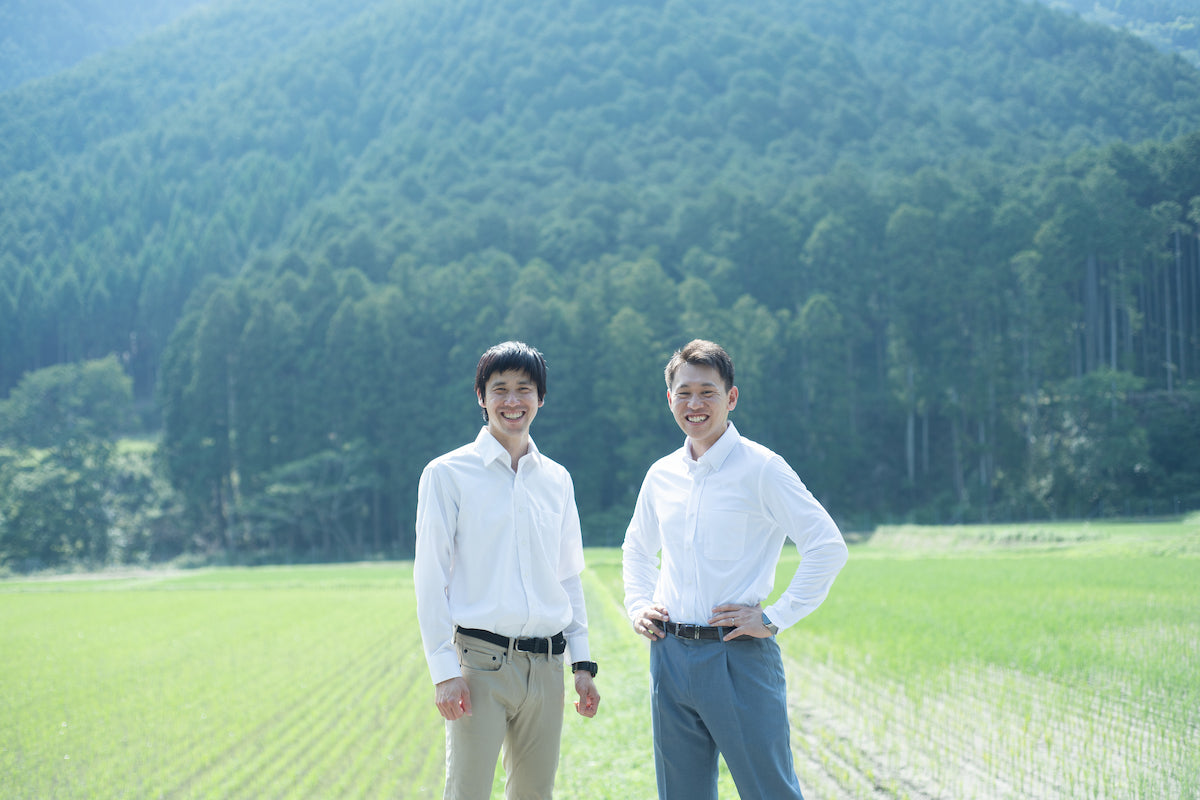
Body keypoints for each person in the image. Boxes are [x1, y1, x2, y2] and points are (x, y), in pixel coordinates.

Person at [622, 339, 848, 800]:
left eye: (708, 392)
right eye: (684, 393)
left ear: (732, 397)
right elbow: (637, 548)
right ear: (670, 399)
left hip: (737, 655)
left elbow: (827, 546)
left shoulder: (762, 468)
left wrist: (773, 616)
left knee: (770, 792)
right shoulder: (660, 474)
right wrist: (638, 603)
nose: (695, 404)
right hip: (669, 655)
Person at [415, 341, 600, 800]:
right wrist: (443, 671)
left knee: (536, 795)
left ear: (541, 398)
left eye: (524, 389)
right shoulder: (447, 474)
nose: (512, 401)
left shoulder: (557, 479)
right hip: (478, 664)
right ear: (481, 396)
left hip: (547, 667)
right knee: (468, 793)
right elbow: (429, 578)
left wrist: (582, 665)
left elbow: (568, 575)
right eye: (500, 389)